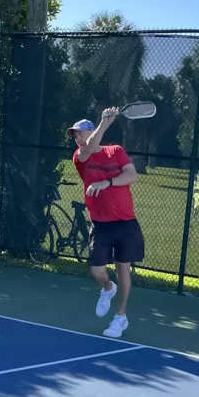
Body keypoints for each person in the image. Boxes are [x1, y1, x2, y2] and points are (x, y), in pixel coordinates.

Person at [67, 107, 144, 338]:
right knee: (96, 271)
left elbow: (132, 176)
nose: (77, 138)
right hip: (100, 225)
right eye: (75, 135)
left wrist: (107, 182)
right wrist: (105, 122)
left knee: (123, 269)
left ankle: (120, 317)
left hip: (126, 222)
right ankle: (107, 289)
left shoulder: (116, 151)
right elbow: (89, 147)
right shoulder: (81, 157)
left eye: (79, 133)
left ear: (90, 133)